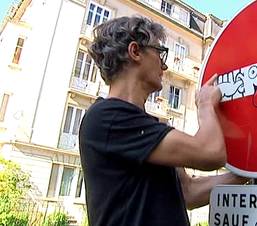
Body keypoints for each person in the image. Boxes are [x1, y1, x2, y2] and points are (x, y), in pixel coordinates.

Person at [79, 16, 248, 226]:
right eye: (160, 53)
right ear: (135, 52)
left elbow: (188, 192)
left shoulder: (144, 126)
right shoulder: (107, 117)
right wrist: (205, 105)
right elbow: (211, 153)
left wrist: (244, 175)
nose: (165, 65)